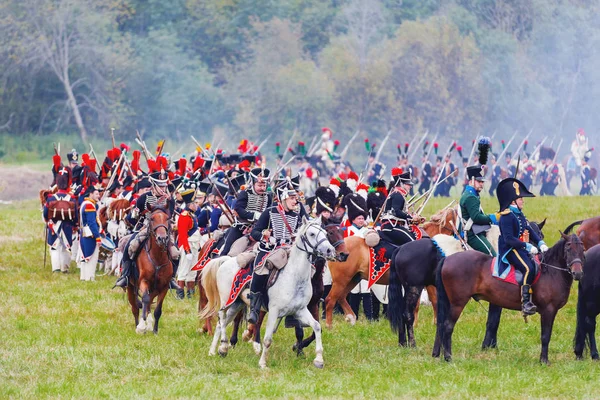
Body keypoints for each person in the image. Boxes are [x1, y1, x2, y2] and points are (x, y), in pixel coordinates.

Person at [247, 179, 309, 325]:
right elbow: (254, 232)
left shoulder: (296, 216)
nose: (296, 201)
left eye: (296, 198)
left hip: (289, 251)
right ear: (283, 198)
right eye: (292, 198)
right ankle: (254, 309)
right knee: (260, 271)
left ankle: (293, 313)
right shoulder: (269, 212)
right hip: (269, 250)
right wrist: (264, 235)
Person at [496, 178, 548, 316]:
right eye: (520, 199)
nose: (523, 201)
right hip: (509, 249)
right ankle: (525, 302)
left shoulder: (519, 214)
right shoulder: (507, 216)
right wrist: (526, 245)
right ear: (513, 201)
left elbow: (529, 230)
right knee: (528, 268)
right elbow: (509, 239)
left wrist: (540, 243)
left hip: (519, 247)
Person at [219, 167, 272, 256]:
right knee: (226, 249)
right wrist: (254, 215)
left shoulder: (268, 196)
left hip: (259, 229)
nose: (262, 188)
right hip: (242, 226)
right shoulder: (245, 193)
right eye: (259, 185)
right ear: (253, 183)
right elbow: (239, 210)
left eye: (264, 185)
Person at [43, 167, 77, 273]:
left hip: (54, 226)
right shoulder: (71, 198)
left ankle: (56, 269)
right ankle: (64, 269)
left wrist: (48, 221)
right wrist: (75, 225)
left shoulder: (51, 198)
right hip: (67, 226)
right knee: (65, 247)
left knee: (54, 247)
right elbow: (75, 214)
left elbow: (45, 213)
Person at [379, 168, 418, 246]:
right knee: (413, 243)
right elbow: (396, 212)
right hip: (391, 227)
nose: (410, 187)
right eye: (408, 184)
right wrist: (410, 217)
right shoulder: (397, 194)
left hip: (394, 225)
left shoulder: (398, 194)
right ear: (402, 184)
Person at [176, 183, 201, 299]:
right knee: (184, 269)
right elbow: (182, 235)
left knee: (193, 271)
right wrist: (187, 250)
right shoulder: (184, 215)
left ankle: (190, 293)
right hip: (188, 246)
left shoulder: (192, 215)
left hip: (194, 245)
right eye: (195, 203)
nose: (197, 205)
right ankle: (179, 292)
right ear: (190, 204)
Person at [78, 184, 103, 281]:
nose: (98, 196)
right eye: (96, 194)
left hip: (85, 233)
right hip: (90, 234)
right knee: (91, 257)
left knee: (85, 257)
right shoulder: (89, 205)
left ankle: (84, 277)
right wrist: (97, 237)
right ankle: (89, 277)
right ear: (91, 194)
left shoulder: (85, 203)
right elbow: (92, 223)